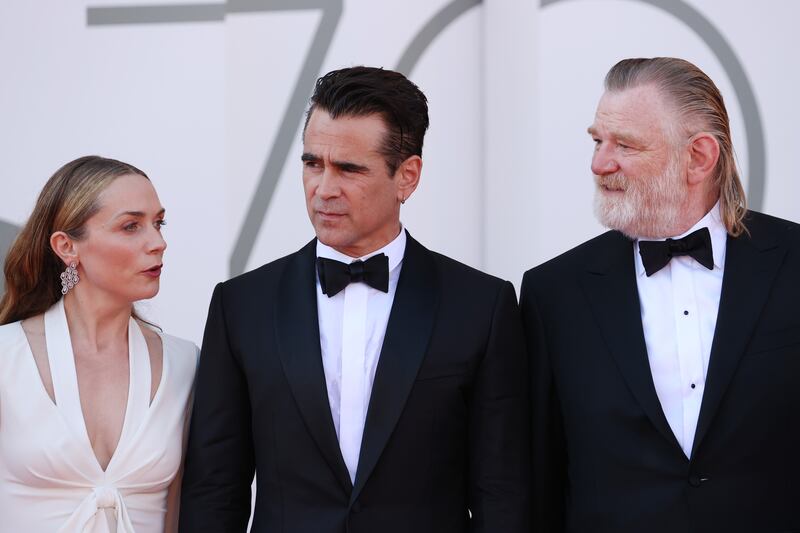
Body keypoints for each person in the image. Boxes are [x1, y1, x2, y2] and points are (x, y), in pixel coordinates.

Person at [180, 66, 530, 532]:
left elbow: (502, 492)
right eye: (312, 164)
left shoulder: (481, 307)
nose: (323, 189)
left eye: (348, 169)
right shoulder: (242, 306)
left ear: (407, 177)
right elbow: (214, 489)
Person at [521, 57, 800, 532]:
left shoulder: (794, 263)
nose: (599, 163)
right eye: (597, 141)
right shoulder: (554, 293)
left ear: (699, 156)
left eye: (625, 145)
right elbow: (538, 480)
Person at [0, 156, 199, 532]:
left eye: (159, 223)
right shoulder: (5, 358)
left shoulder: (183, 362)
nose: (158, 243)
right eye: (130, 226)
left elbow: (177, 513)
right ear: (66, 246)